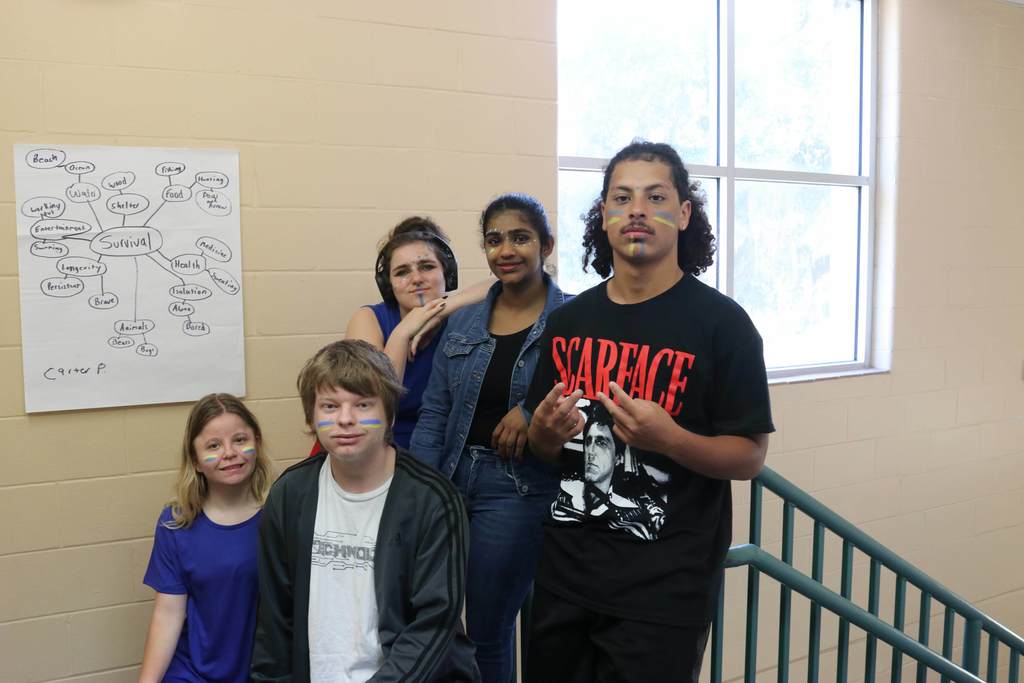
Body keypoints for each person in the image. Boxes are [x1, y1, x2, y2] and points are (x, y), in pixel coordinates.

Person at [523, 141, 775, 682]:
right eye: (622, 197)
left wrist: (669, 440)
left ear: (683, 214)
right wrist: (543, 433)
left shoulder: (723, 326)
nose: (637, 210)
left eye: (655, 196)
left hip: (663, 594)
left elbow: (750, 456)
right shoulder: (569, 323)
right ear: (605, 215)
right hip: (563, 579)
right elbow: (546, 450)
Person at [251, 340, 480, 683]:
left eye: (362, 404)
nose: (345, 419)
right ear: (311, 416)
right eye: (329, 406)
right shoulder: (290, 493)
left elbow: (434, 626)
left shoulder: (433, 500)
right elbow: (275, 620)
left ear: (388, 412)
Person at [410, 193, 570, 683]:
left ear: (546, 244)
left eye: (520, 238)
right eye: (494, 239)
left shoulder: (574, 319)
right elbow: (436, 411)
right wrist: (420, 488)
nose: (506, 250)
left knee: (486, 628)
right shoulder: (463, 321)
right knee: (438, 621)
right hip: (452, 478)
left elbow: (585, 393)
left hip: (518, 489)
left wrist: (529, 409)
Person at [139, 393, 273, 683]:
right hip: (191, 674)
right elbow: (168, 615)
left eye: (240, 440)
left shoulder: (278, 516)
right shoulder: (175, 523)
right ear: (196, 460)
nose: (229, 452)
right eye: (213, 445)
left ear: (257, 443)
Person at [341, 216, 489, 450]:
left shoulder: (461, 315)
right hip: (382, 449)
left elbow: (506, 282)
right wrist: (402, 333)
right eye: (402, 272)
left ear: (447, 274)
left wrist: (444, 308)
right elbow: (375, 409)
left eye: (427, 267)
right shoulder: (369, 319)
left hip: (446, 450)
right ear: (387, 283)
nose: (417, 279)